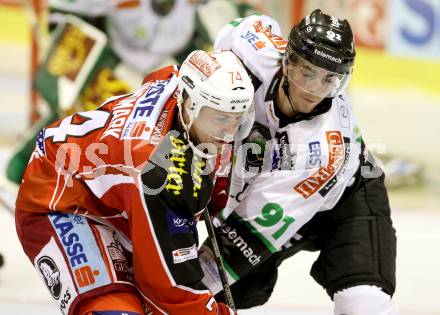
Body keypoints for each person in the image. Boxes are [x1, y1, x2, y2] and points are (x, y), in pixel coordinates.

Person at [15, 49, 255, 315]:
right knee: (114, 310)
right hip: (59, 198)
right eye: (221, 118)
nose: (230, 133)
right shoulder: (158, 173)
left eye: (238, 119)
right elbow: (167, 289)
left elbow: (158, 76)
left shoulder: (177, 82)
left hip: (111, 194)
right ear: (189, 104)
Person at [198, 9, 399, 315]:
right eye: (307, 71)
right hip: (273, 182)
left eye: (329, 78)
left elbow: (247, 238)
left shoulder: (324, 147)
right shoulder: (255, 50)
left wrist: (177, 291)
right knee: (237, 291)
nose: (314, 89)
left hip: (347, 201)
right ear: (286, 59)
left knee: (362, 304)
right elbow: (243, 27)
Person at [5, 0, 261, 187]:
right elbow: (64, 14)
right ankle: (21, 169)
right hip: (109, 65)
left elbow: (235, 16)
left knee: (157, 143)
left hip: (168, 70)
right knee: (76, 122)